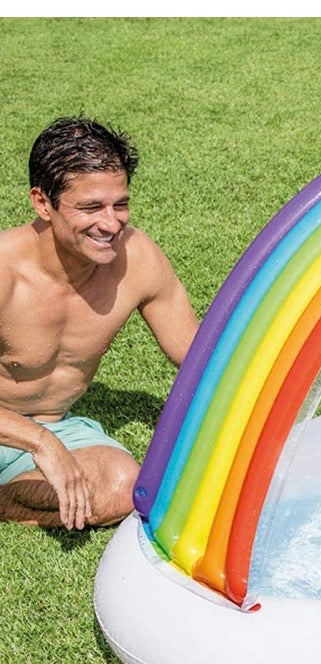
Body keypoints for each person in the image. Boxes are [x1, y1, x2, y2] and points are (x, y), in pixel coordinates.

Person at [0, 116, 198, 531]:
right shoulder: (5, 270)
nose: (111, 224)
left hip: (55, 425)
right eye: (90, 207)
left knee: (123, 486)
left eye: (120, 204)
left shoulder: (136, 260)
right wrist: (40, 443)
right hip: (20, 430)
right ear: (42, 202)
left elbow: (198, 356)